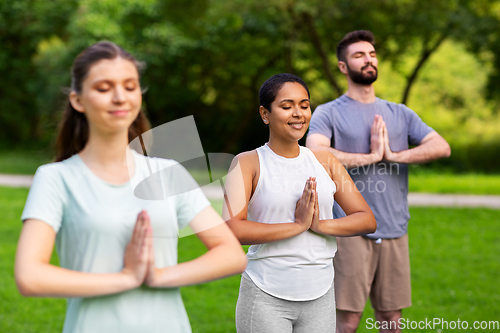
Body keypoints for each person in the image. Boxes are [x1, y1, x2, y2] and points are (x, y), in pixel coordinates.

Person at [14, 41, 247, 333]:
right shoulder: (56, 179)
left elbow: (231, 255)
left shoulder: (167, 173)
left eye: (130, 86)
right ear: (78, 100)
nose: (120, 97)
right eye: (103, 88)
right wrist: (125, 278)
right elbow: (30, 276)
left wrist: (158, 276)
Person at [306, 30, 451, 333]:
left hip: (395, 227)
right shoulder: (328, 112)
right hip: (350, 229)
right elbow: (315, 152)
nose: (368, 59)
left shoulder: (399, 112)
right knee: (346, 321)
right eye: (359, 55)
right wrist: (368, 157)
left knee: (391, 319)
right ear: (343, 67)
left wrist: (393, 155)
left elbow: (441, 146)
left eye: (371, 54)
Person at [222, 73, 376, 333]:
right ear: (265, 113)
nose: (298, 113)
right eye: (287, 106)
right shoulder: (247, 163)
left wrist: (319, 224)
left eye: (304, 105)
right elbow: (232, 229)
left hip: (321, 292)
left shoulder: (325, 160)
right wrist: (296, 226)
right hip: (265, 293)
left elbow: (366, 219)